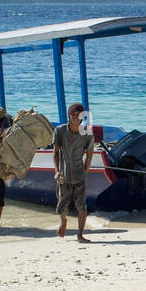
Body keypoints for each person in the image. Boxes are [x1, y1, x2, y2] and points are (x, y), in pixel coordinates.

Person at [51, 102, 95, 243]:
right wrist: (57, 171)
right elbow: (56, 152)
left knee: (81, 206)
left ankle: (80, 235)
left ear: (82, 118)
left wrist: (86, 171)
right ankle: (63, 222)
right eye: (73, 115)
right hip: (63, 175)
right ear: (69, 116)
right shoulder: (60, 130)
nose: (76, 117)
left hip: (79, 174)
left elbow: (89, 155)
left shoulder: (87, 133)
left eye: (79, 115)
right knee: (62, 204)